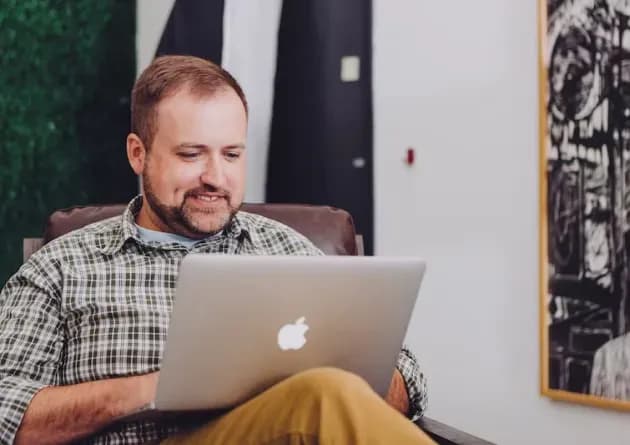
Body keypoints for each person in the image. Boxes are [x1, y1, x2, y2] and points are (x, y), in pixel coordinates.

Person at [0, 55, 432, 444]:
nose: (215, 176)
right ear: (138, 154)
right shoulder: (62, 266)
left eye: (231, 154)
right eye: (192, 154)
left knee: (324, 393)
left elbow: (407, 379)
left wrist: (290, 381)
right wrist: (156, 387)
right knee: (324, 395)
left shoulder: (286, 249)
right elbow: (6, 410)